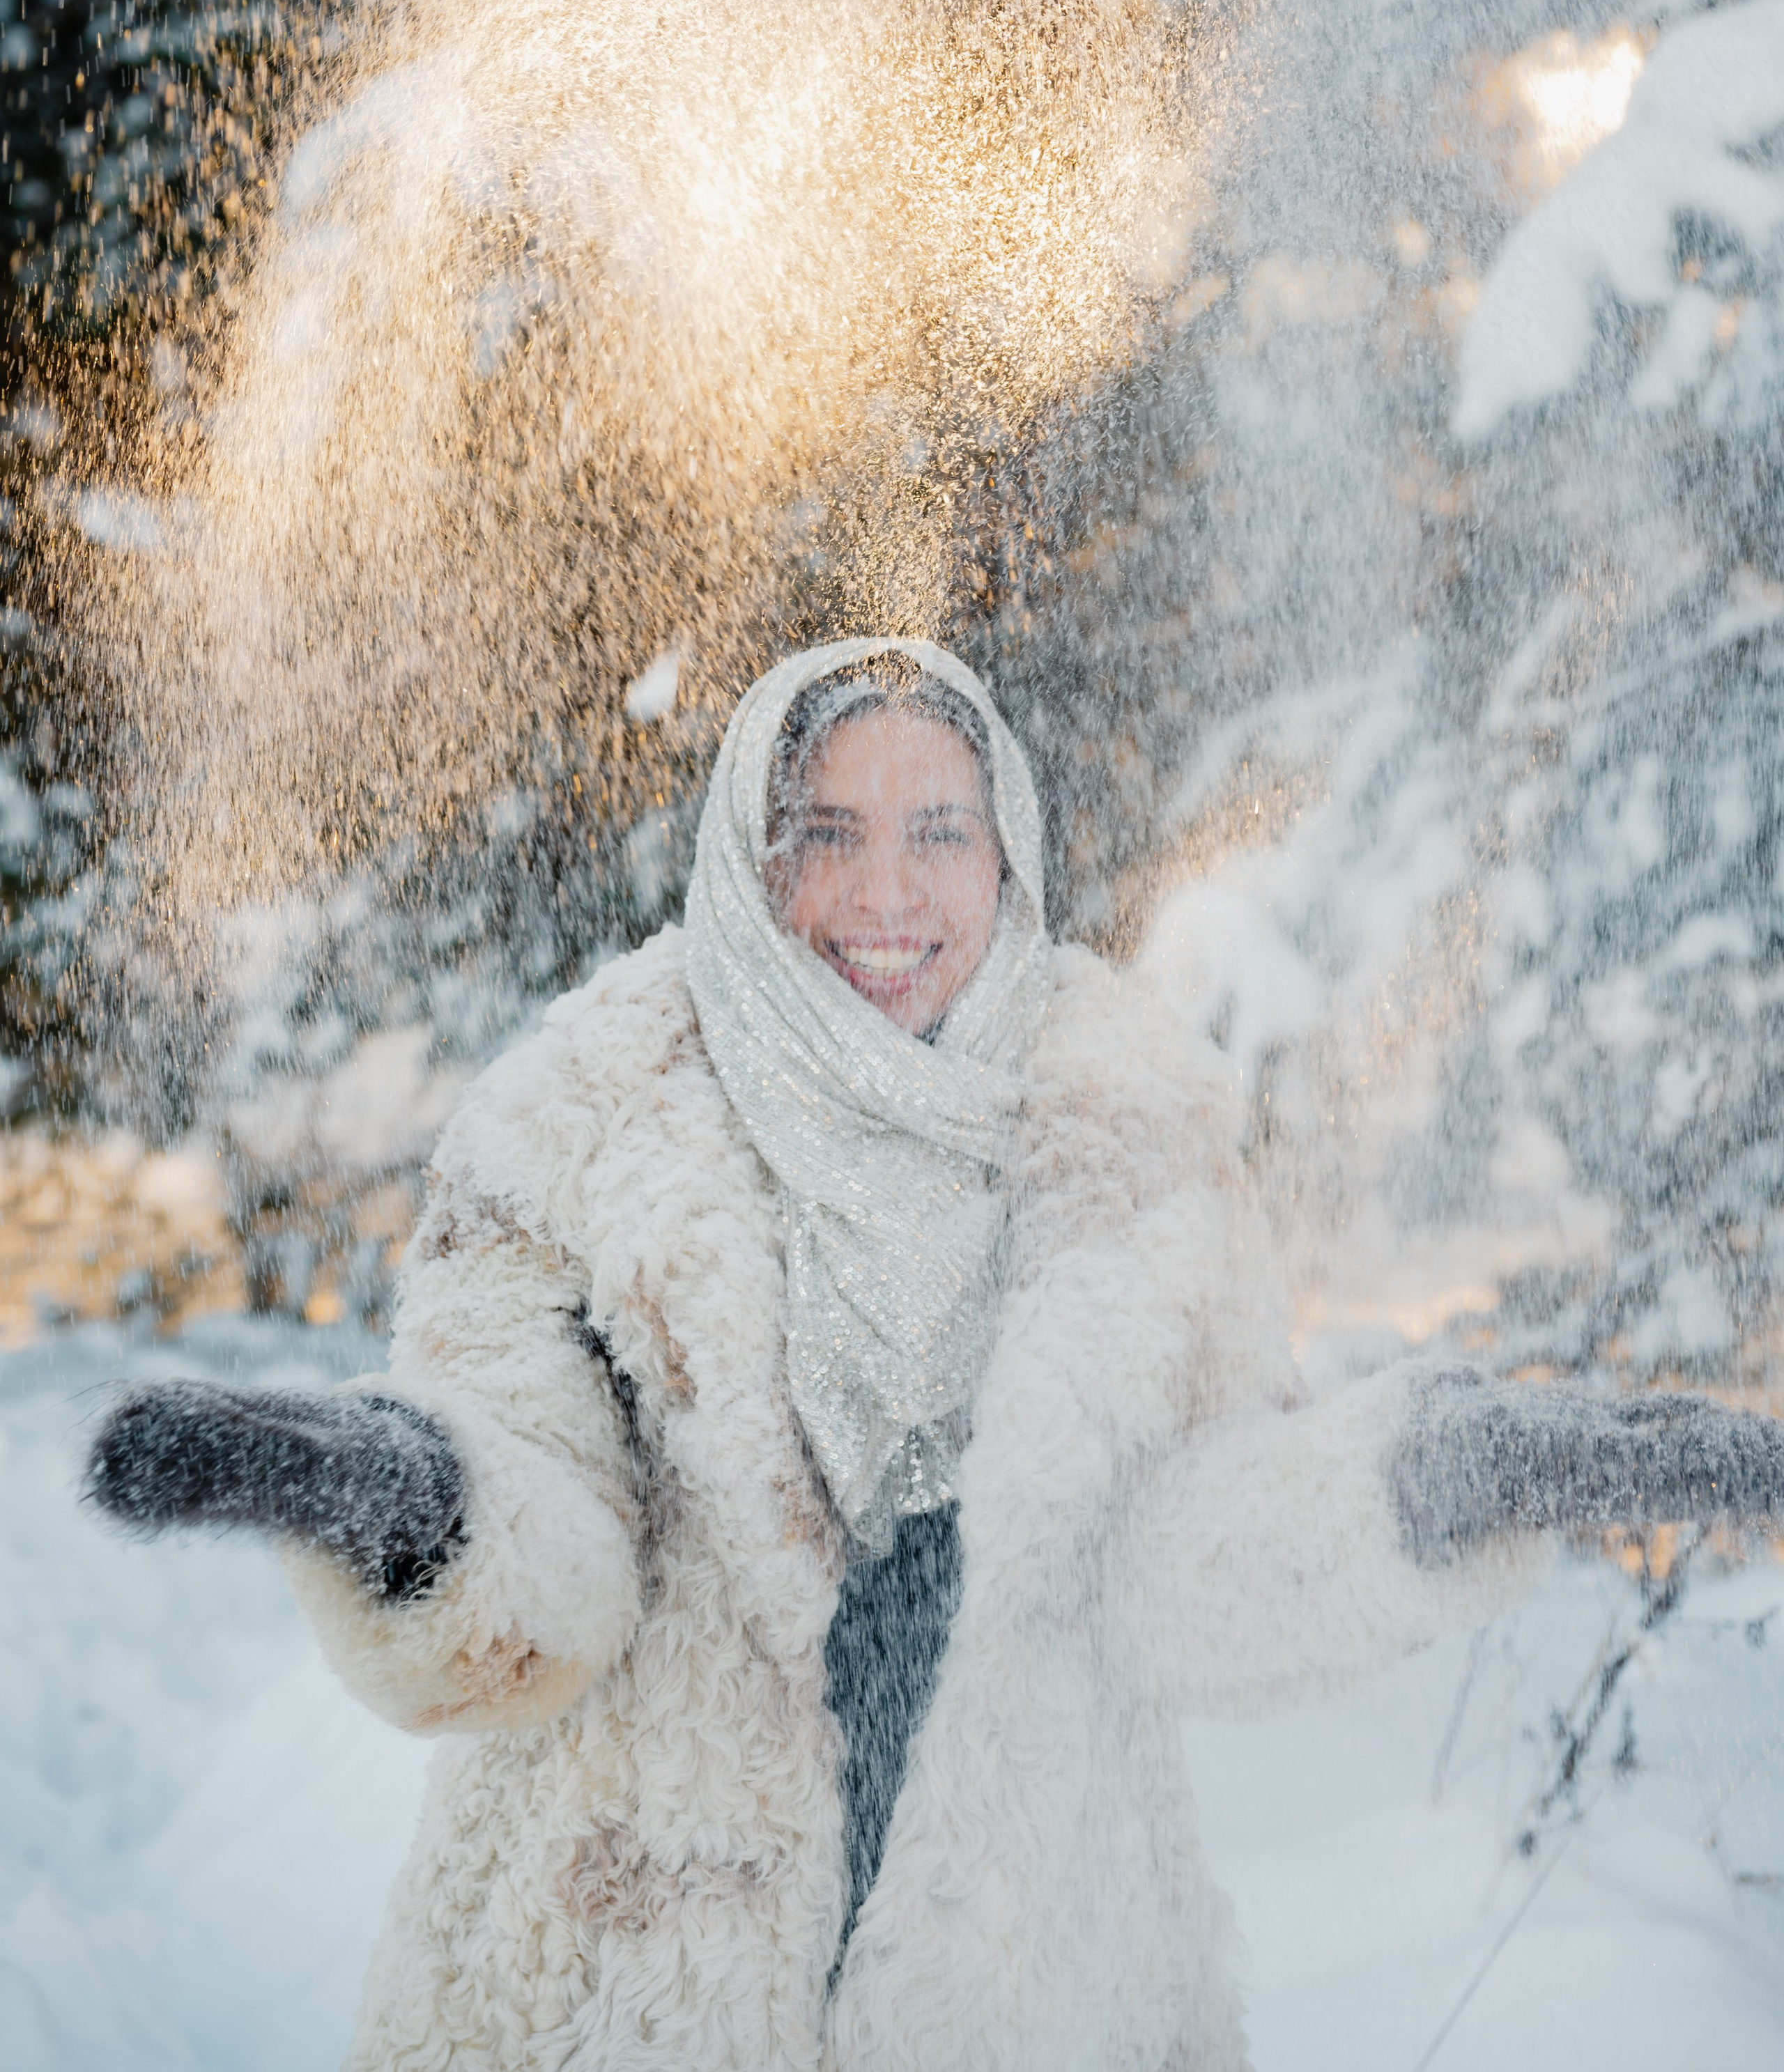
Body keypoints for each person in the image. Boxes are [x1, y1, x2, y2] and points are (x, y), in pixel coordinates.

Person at [86, 638, 1784, 2072]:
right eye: (823, 832)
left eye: (936, 831)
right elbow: (558, 1548)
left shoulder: (1133, 1148)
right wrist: (410, 1505)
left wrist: (1435, 1480)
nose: (883, 893)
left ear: (1009, 859)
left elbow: (1180, 1565)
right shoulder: (581, 1131)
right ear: (750, 862)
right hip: (620, 1972)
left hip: (1039, 1970)